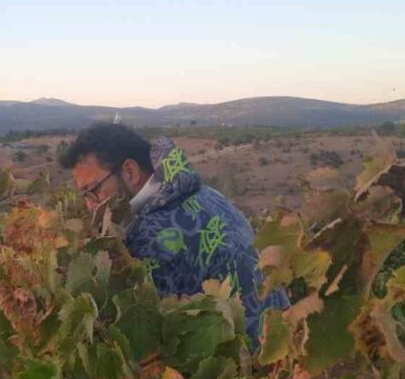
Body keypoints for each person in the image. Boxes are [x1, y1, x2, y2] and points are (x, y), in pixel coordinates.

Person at [59, 124, 289, 340]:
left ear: (130, 171)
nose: (90, 206)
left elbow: (147, 339)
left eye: (93, 191)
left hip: (250, 366)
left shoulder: (148, 237)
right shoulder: (205, 194)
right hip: (284, 342)